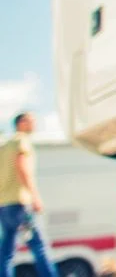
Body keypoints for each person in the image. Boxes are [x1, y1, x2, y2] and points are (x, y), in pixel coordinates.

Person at [0, 112, 57, 277]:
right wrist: (35, 196)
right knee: (39, 246)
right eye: (32, 120)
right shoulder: (21, 141)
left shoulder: (5, 145)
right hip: (20, 203)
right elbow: (22, 167)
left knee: (7, 251)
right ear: (22, 123)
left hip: (4, 205)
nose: (35, 124)